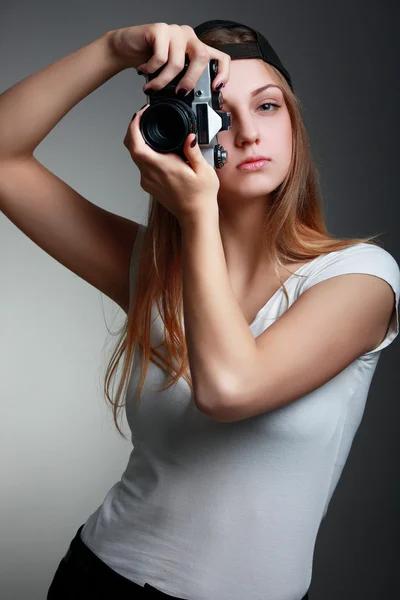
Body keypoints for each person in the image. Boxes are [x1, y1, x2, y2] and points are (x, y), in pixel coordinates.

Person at [1, 19, 398, 600]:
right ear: (176, 132)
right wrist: (112, 50)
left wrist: (199, 216)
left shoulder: (360, 276)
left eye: (267, 106)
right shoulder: (153, 272)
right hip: (101, 577)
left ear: (294, 122)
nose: (248, 134)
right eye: (218, 112)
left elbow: (229, 388)